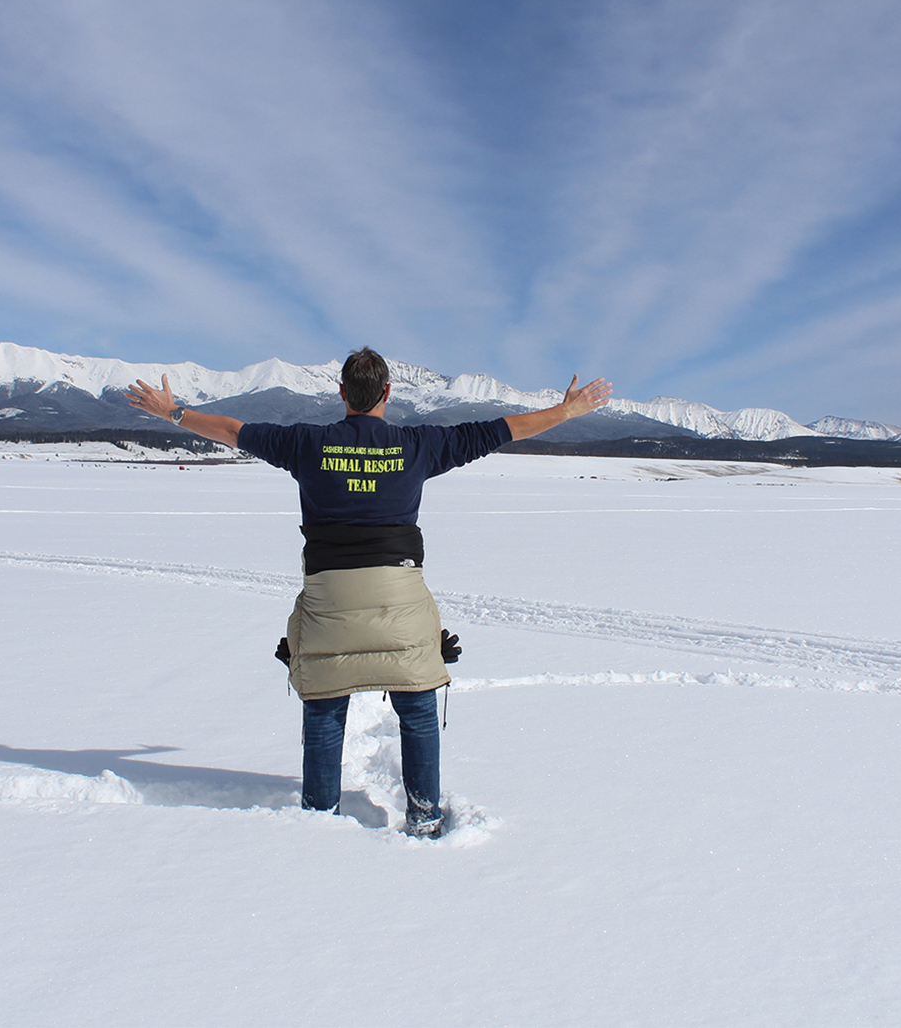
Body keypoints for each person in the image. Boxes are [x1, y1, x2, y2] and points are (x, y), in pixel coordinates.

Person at [128, 348, 611, 837]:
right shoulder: (418, 445)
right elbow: (500, 430)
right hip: (398, 596)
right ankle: (424, 817)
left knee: (324, 699)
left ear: (341, 394)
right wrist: (566, 411)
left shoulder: (305, 444)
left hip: (327, 600)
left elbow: (232, 430)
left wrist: (173, 411)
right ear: (386, 394)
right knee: (418, 702)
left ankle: (318, 820)